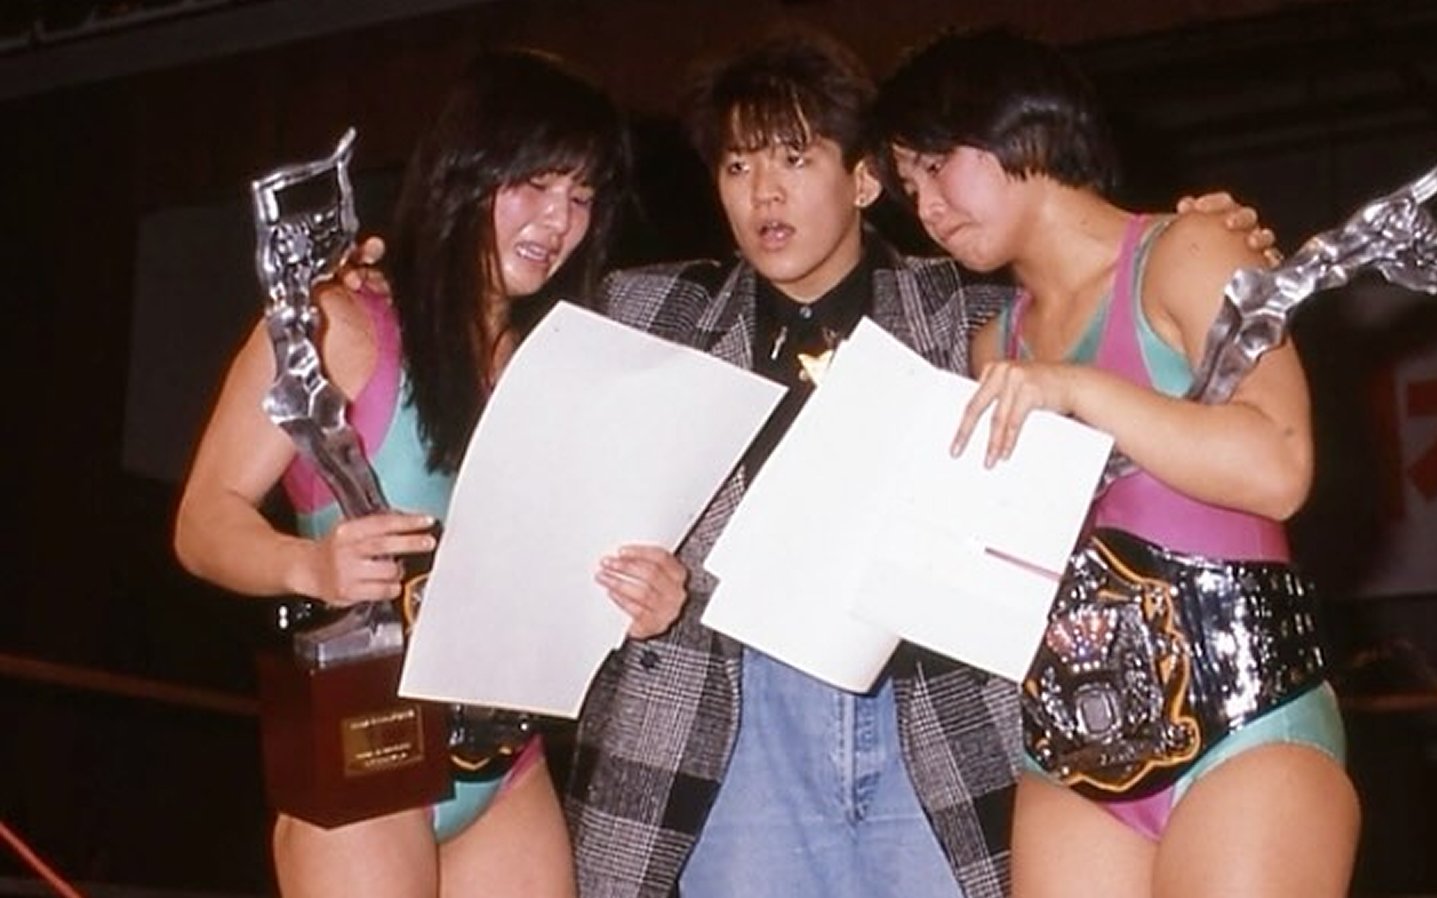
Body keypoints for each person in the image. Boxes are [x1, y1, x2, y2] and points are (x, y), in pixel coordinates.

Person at [565, 28, 1276, 898]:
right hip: (735, 716)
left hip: (931, 718)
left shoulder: (972, 311)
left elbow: (1096, 282)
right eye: (738, 167)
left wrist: (1203, 236)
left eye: (795, 157)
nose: (765, 194)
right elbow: (529, 459)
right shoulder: (649, 310)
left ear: (865, 179)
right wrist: (647, 590)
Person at [173, 49, 687, 898]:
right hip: (359, 738)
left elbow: (563, 563)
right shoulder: (338, 323)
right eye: (534, 182)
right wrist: (309, 564)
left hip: (504, 758)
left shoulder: (555, 363)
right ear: (467, 173)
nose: (557, 220)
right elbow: (201, 521)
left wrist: (644, 596)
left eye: (582, 196)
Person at [875, 27, 1359, 898]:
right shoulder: (995, 341)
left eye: (938, 166)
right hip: (1071, 744)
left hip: (1246, 723)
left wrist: (1082, 393)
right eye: (908, 186)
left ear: (1020, 129)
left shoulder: (1192, 251)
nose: (927, 206)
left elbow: (1280, 465)